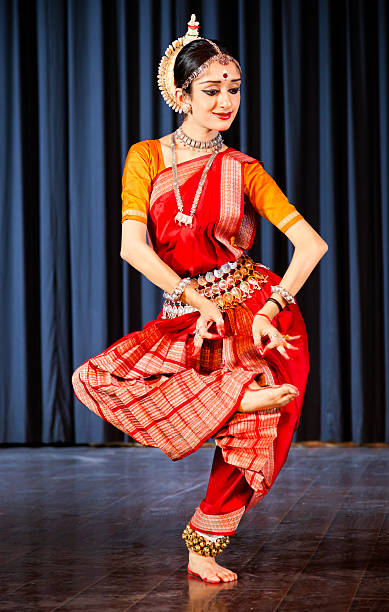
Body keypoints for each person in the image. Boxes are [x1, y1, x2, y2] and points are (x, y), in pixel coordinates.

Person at [72, 14, 328, 584]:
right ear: (180, 93)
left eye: (232, 90)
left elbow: (311, 245)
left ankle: (203, 547)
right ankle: (235, 402)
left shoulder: (244, 170)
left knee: (260, 432)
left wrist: (268, 308)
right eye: (211, 91)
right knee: (94, 379)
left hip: (256, 309)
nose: (224, 102)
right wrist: (191, 296)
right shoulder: (147, 158)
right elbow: (131, 247)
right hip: (187, 311)